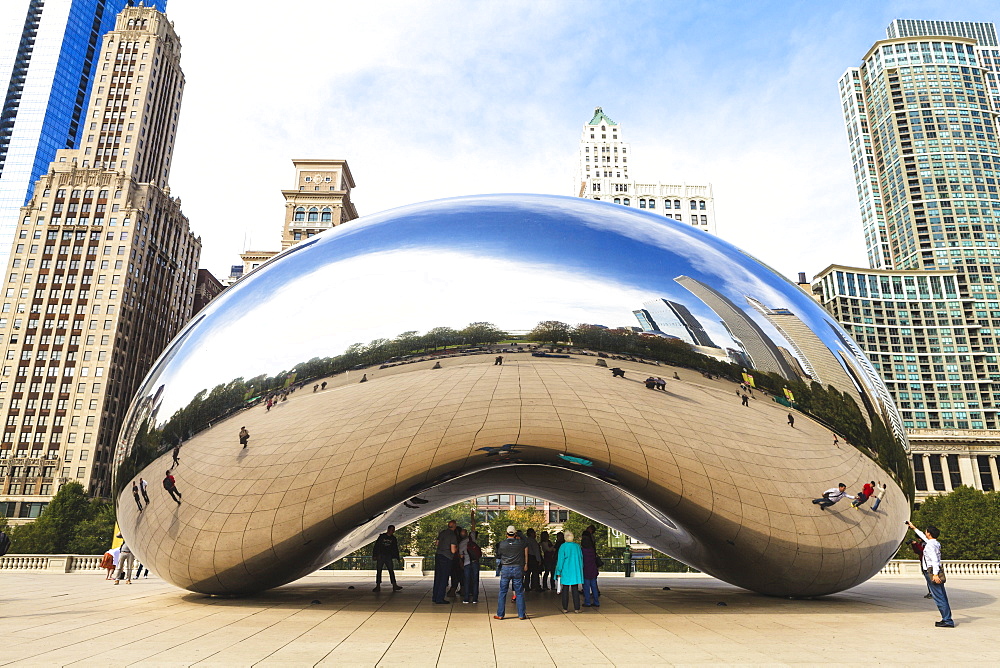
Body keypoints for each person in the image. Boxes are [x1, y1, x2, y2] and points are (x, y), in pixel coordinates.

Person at [907, 520, 954, 627]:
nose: (925, 533)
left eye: (926, 532)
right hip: (933, 570)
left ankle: (947, 620)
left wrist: (935, 574)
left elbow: (934, 561)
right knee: (941, 594)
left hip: (932, 571)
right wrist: (913, 528)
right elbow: (923, 537)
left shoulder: (930, 546)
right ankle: (946, 618)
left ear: (929, 533)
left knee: (938, 596)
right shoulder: (934, 543)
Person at [493, 525, 528, 620]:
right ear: (515, 533)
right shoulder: (521, 543)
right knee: (519, 592)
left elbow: (499, 555)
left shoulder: (501, 544)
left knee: (503, 591)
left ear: (506, 534)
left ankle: (500, 614)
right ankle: (521, 614)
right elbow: (526, 542)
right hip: (517, 568)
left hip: (506, 568)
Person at [554, 530, 584, 613]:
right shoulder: (577, 546)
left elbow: (560, 560)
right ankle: (577, 608)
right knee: (575, 589)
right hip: (575, 570)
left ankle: (565, 608)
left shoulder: (563, 546)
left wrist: (558, 571)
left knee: (565, 590)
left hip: (565, 570)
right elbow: (581, 558)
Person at [432, 519, 458, 604]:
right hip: (446, 557)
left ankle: (435, 596)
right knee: (443, 578)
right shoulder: (452, 536)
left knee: (438, 577)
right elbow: (453, 550)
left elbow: (437, 543)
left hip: (438, 555)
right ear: (454, 526)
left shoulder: (442, 533)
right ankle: (440, 598)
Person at [372, 525, 403, 592]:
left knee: (391, 570)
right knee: (379, 570)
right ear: (388, 530)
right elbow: (377, 546)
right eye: (392, 530)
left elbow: (395, 548)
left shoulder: (393, 538)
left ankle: (394, 585)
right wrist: (375, 555)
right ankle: (378, 585)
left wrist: (397, 557)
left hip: (388, 556)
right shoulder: (382, 537)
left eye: (393, 530)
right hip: (381, 556)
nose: (392, 531)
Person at [458, 524, 481, 604]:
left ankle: (466, 598)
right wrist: (472, 515)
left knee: (466, 581)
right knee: (475, 580)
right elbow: (473, 529)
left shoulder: (461, 544)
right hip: (475, 562)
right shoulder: (472, 539)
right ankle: (475, 598)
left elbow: (461, 555)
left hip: (467, 563)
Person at [581, 531, 600, 607]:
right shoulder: (592, 550)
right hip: (593, 570)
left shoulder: (582, 551)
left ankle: (587, 602)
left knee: (586, 588)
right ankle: (596, 601)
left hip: (585, 570)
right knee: (594, 587)